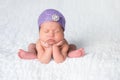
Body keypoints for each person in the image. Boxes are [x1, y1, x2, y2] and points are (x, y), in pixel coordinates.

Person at [18, 9, 84, 64]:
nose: (51, 35)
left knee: (72, 46)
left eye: (57, 32)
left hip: (60, 48)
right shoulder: (39, 43)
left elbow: (59, 60)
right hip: (43, 49)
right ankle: (31, 53)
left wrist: (55, 47)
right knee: (32, 45)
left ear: (63, 33)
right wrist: (49, 48)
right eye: (46, 31)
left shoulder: (64, 44)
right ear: (39, 32)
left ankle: (71, 53)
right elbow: (44, 61)